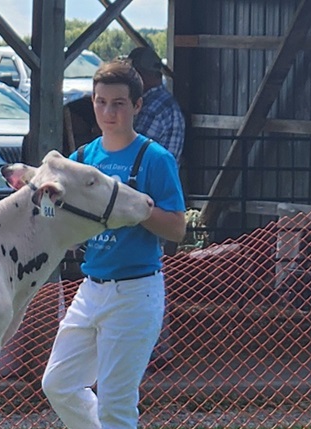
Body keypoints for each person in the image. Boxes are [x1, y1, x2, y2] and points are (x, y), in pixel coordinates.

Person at [44, 59, 186, 429]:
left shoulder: (154, 159)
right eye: (101, 103)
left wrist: (135, 207)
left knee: (116, 401)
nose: (108, 112)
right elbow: (53, 213)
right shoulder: (85, 156)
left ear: (137, 106)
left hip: (136, 289)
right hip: (90, 286)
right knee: (58, 383)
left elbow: (177, 227)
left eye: (119, 104)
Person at [128, 45, 187, 370]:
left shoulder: (153, 109)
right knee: (150, 271)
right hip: (152, 198)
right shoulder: (163, 106)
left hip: (148, 199)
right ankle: (153, 348)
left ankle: (152, 349)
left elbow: (134, 150)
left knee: (148, 270)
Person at [128, 46, 185, 162]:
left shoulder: (151, 108)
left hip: (147, 178)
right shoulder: (164, 102)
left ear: (140, 74)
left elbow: (132, 150)